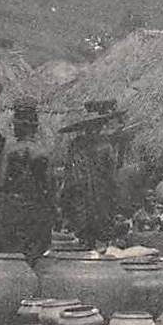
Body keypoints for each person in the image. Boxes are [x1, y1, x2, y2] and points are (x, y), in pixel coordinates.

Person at [59, 104, 123, 248]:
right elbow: (111, 176)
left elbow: (69, 173)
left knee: (84, 232)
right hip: (96, 196)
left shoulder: (76, 144)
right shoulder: (105, 146)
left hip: (82, 196)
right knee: (98, 231)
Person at [0, 101, 54, 260]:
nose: (14, 129)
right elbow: (49, 186)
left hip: (13, 208)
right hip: (37, 208)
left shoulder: (9, 151)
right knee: (35, 253)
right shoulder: (43, 152)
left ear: (21, 126)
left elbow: (1, 182)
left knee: (13, 254)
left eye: (15, 125)